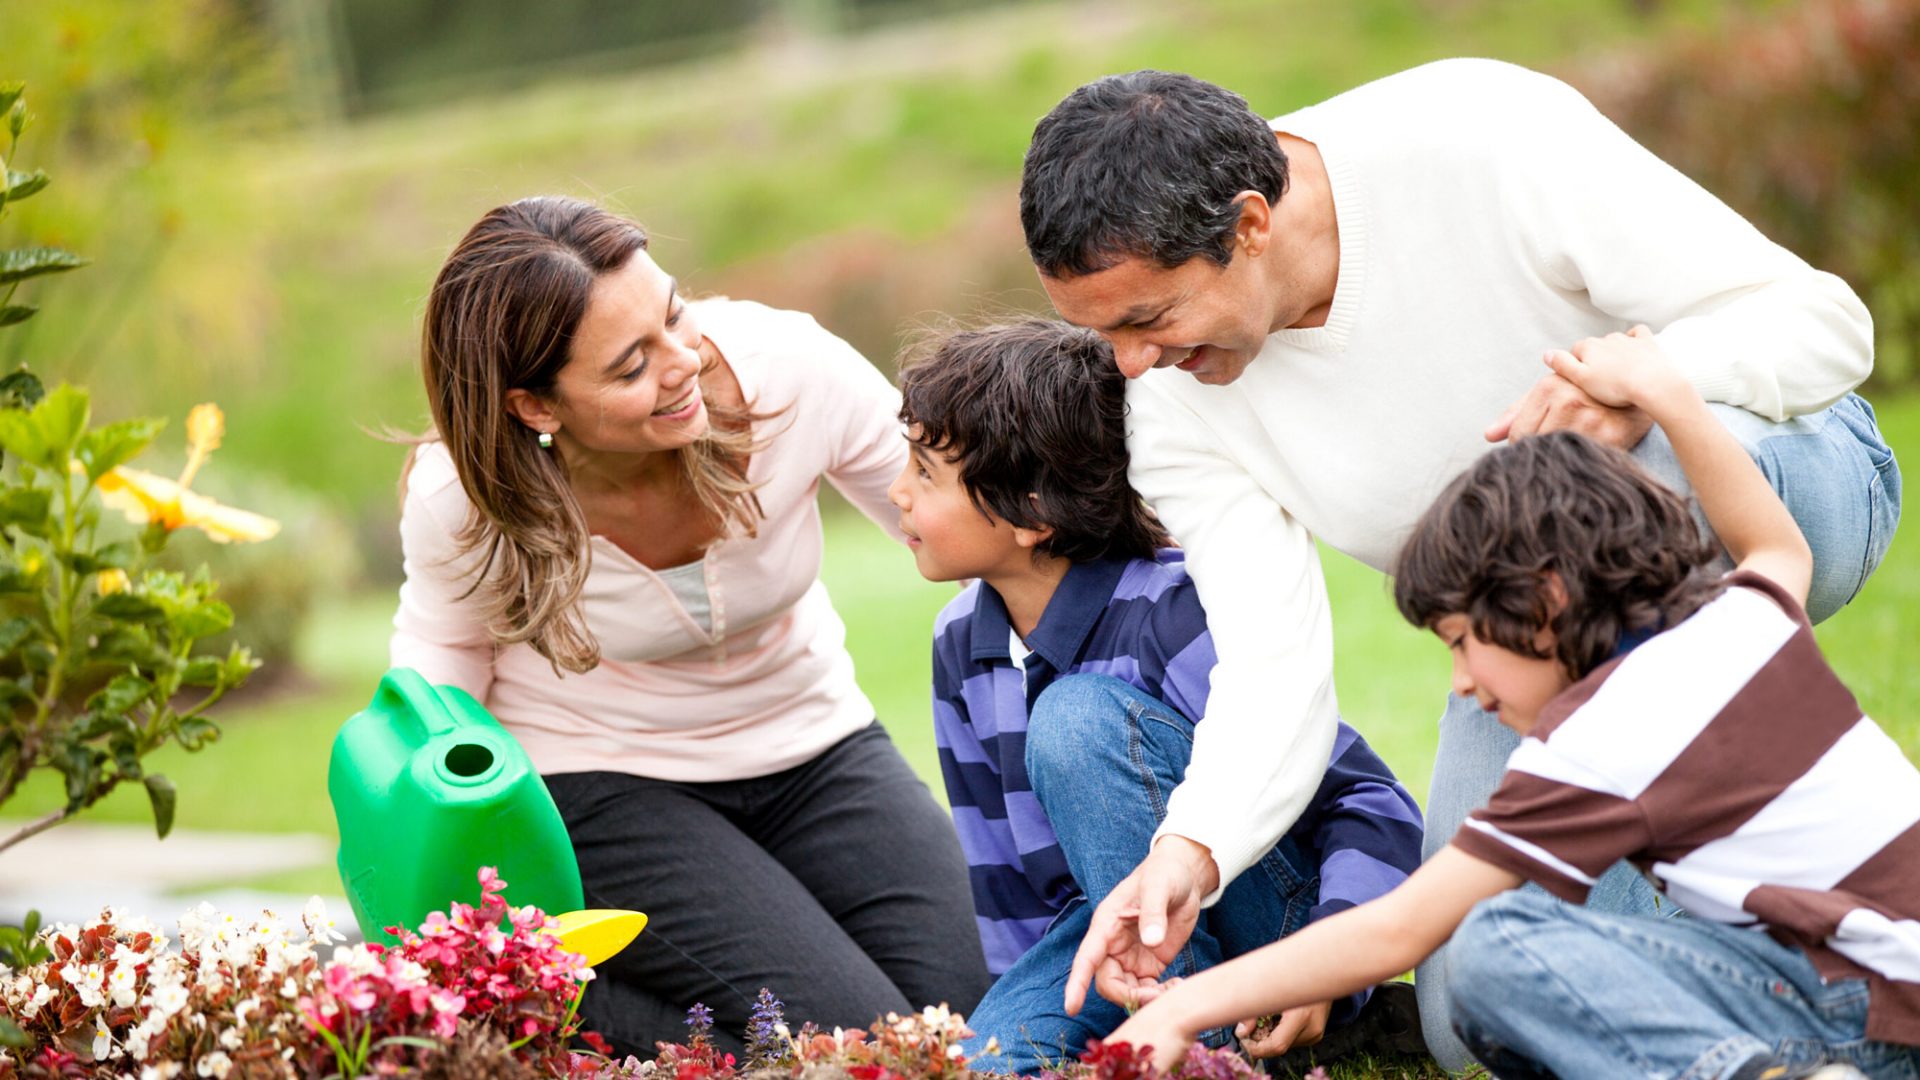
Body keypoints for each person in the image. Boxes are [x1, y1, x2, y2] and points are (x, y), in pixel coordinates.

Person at [1017, 61, 1902, 1066]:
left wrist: (1649, 383)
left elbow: (1823, 323)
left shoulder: (1477, 134)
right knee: (1467, 1013)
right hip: (1529, 640)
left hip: (1780, 473)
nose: (1131, 364)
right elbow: (1270, 665)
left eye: (1147, 319)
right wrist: (1193, 850)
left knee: (1629, 477)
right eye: (1101, 333)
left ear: (1250, 224)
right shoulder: (1172, 408)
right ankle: (1781, 1016)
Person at [1097, 327, 1920, 1080]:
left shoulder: (1602, 738)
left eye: (1461, 640)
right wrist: (1669, 395)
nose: (1460, 680)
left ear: (1546, 600)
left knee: (1495, 947)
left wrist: (1183, 1008)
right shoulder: (1740, 622)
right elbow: (1776, 544)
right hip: (1876, 982)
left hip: (1860, 1013)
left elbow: (1400, 930)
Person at [390, 196, 989, 1056]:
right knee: (850, 1049)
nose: (683, 364)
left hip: (814, 745)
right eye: (632, 366)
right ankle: (537, 997)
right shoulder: (463, 497)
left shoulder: (789, 370)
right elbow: (442, 659)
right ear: (536, 407)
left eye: (674, 316)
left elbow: (958, 520)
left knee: (970, 1021)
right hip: (603, 778)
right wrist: (449, 841)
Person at [886, 319, 1424, 1072]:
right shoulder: (959, 643)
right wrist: (1023, 1007)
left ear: (1031, 514)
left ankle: (1208, 1055)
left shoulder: (1171, 614)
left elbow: (1371, 802)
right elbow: (1007, 880)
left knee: (1074, 721)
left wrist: (1329, 964)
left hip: (1272, 936)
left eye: (924, 472)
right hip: (1104, 947)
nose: (896, 492)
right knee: (986, 1065)